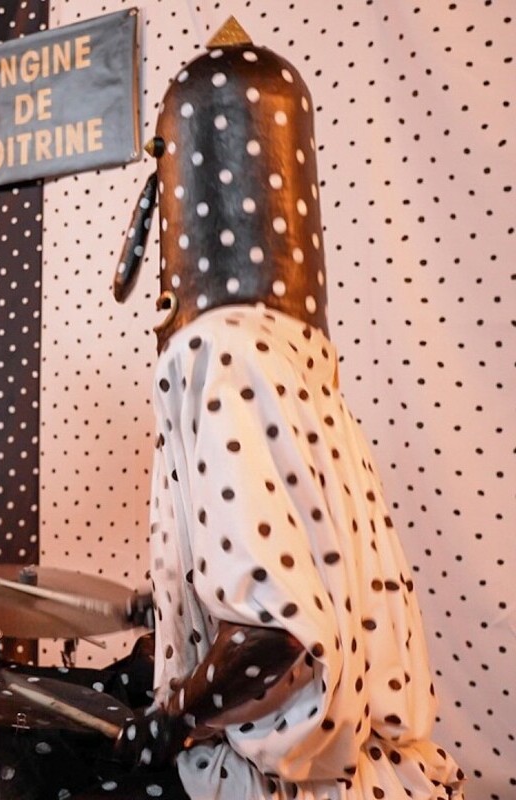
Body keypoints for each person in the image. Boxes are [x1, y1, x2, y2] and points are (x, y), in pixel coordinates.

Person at [106, 18, 466, 799]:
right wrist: (168, 617)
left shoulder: (223, 354)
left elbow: (278, 641)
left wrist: (175, 719)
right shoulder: (298, 359)